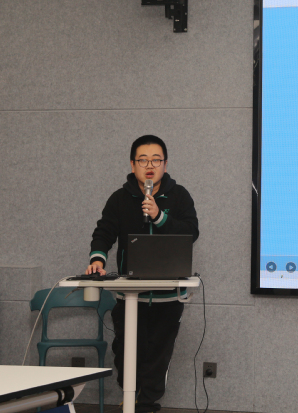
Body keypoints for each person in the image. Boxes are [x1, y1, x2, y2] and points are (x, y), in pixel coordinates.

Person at [85, 134, 199, 413]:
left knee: (157, 358)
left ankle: (147, 405)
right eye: (143, 160)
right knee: (125, 354)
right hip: (130, 296)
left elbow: (191, 233)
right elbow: (104, 232)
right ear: (132, 164)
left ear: (165, 164)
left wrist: (159, 216)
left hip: (167, 297)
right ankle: (130, 398)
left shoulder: (179, 196)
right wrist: (97, 259)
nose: (150, 165)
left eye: (156, 160)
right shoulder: (119, 199)